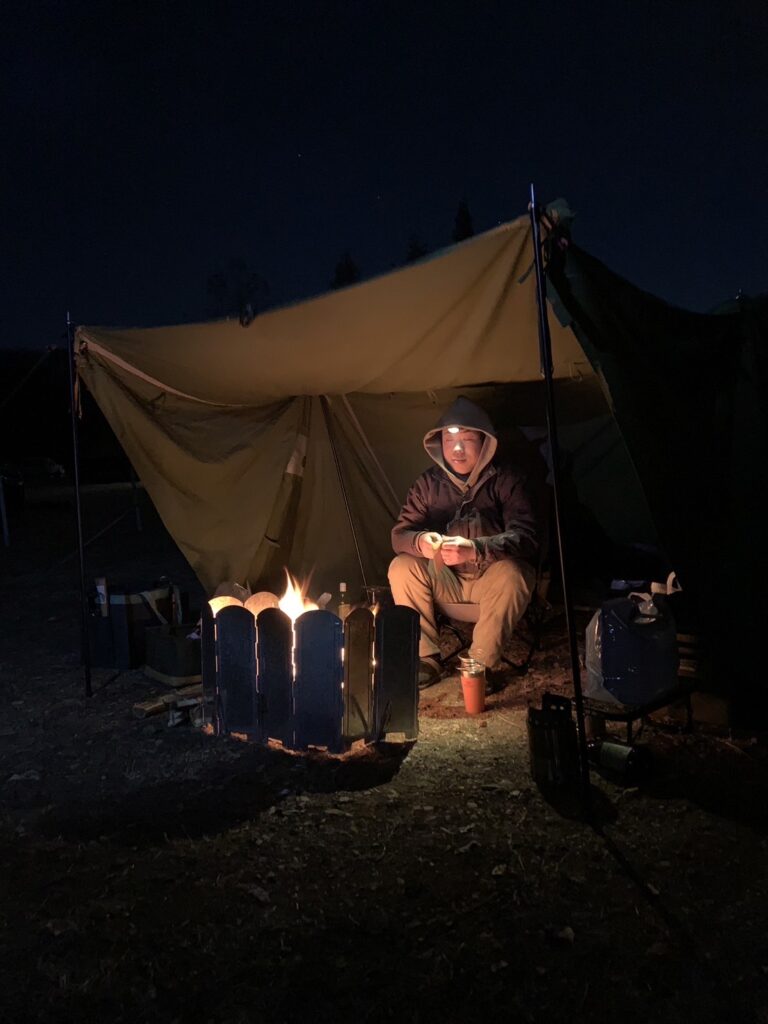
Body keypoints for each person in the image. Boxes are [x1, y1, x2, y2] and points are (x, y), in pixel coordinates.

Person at [388, 396, 539, 691]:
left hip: (491, 582)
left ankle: (480, 663)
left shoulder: (507, 480)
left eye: (467, 440)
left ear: (484, 443)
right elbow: (399, 535)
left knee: (516, 573)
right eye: (449, 440)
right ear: (439, 444)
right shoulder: (428, 484)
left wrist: (475, 549)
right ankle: (426, 658)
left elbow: (526, 536)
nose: (457, 449)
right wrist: (421, 542)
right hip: (447, 581)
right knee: (401, 566)